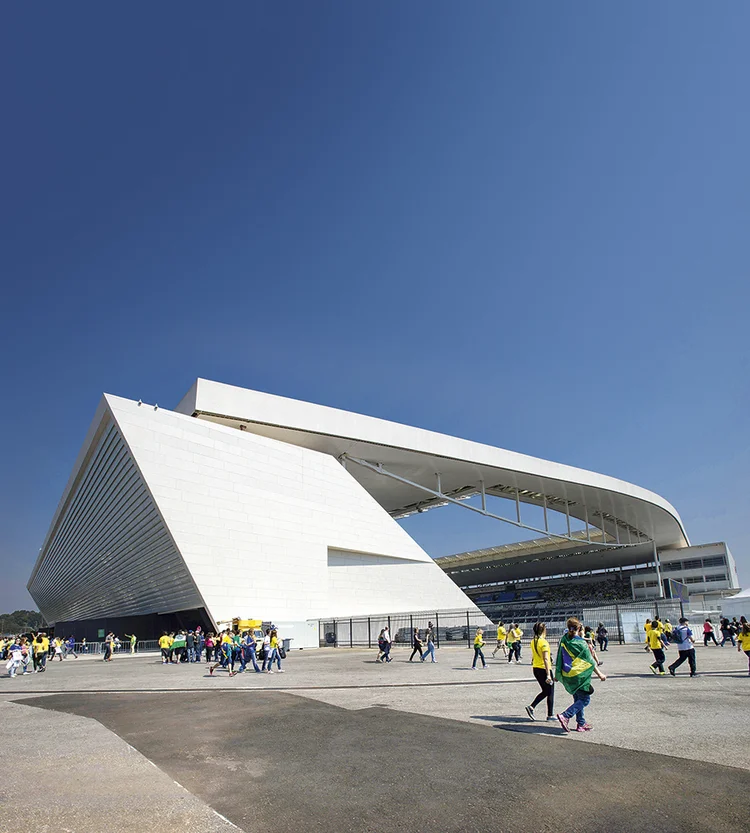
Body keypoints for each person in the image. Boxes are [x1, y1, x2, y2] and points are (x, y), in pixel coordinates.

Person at [555, 617, 606, 732]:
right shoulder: (582, 644)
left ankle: (581, 723)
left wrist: (557, 673)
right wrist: (600, 675)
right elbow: (590, 663)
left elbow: (559, 656)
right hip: (580, 676)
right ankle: (566, 715)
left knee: (578, 699)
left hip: (569, 674)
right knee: (585, 700)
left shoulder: (564, 640)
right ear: (579, 629)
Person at [525, 622, 556, 721]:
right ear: (544, 630)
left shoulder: (533, 641)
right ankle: (549, 714)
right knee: (550, 691)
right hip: (544, 668)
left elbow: (534, 656)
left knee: (546, 691)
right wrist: (548, 674)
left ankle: (533, 707)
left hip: (536, 668)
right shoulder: (543, 642)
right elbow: (546, 659)